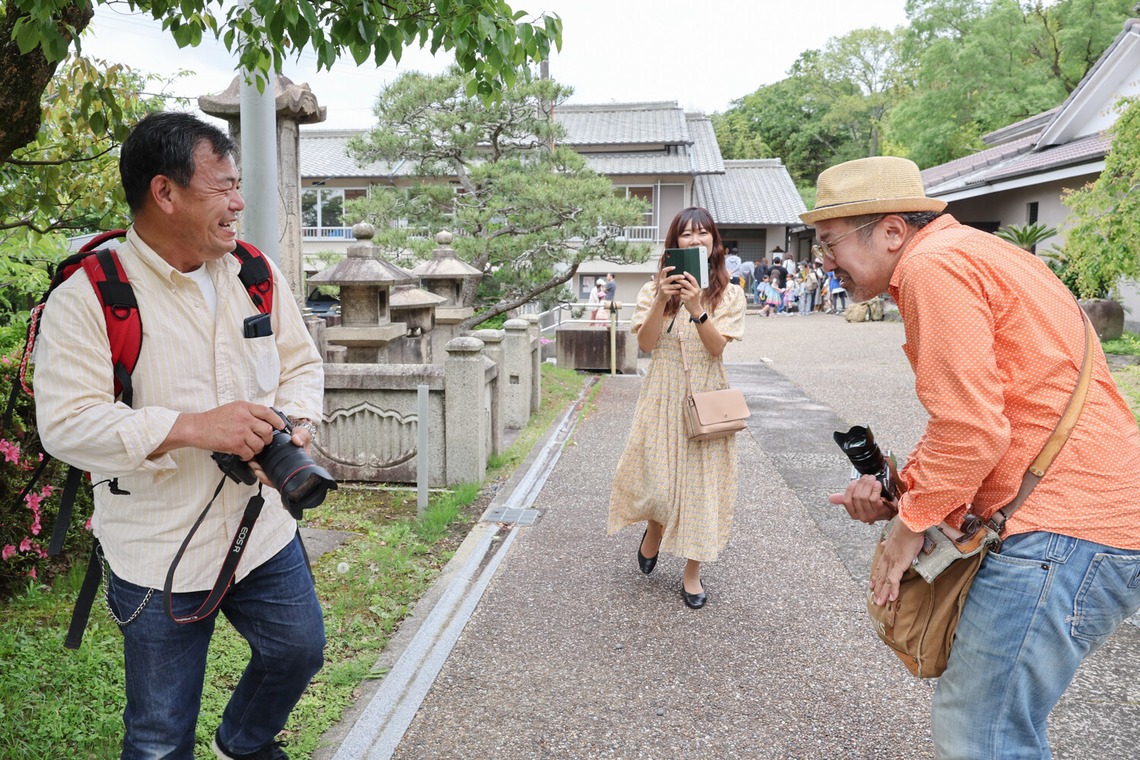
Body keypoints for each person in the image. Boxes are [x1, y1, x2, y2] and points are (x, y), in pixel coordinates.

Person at [805, 156, 1140, 759]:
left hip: (1060, 529)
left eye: (830, 243)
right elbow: (995, 413)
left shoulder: (931, 267)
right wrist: (905, 493)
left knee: (982, 736)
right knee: (994, 728)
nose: (824, 262)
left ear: (891, 231)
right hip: (1090, 517)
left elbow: (972, 429)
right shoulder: (986, 253)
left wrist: (907, 529)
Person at [34, 112, 326, 760]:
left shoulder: (253, 271)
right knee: (159, 736)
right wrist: (192, 428)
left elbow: (301, 364)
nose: (238, 202)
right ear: (165, 193)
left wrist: (296, 422)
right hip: (157, 548)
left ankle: (242, 743)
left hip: (260, 530)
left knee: (299, 650)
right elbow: (65, 423)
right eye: (223, 186)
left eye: (237, 185)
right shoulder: (90, 295)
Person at [608, 207, 746, 609]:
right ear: (675, 244)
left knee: (700, 489)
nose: (695, 239)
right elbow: (646, 345)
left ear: (714, 241)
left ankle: (692, 573)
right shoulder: (653, 290)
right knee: (659, 480)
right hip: (661, 392)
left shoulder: (730, 293)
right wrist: (662, 300)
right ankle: (655, 529)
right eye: (686, 234)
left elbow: (716, 348)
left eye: (703, 233)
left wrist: (696, 307)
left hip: (706, 396)